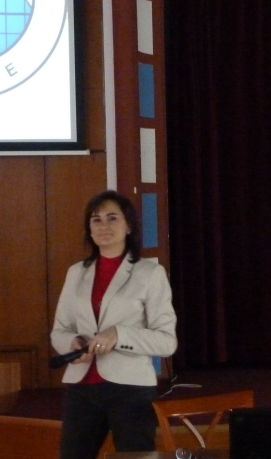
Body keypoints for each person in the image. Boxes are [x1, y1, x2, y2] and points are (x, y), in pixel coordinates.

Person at [51, 191, 178, 459]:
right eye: (96, 220)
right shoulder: (76, 272)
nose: (103, 226)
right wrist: (73, 343)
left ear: (128, 226)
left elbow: (167, 341)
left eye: (112, 218)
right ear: (89, 228)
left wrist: (119, 335)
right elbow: (59, 330)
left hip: (130, 389)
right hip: (81, 387)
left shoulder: (150, 273)